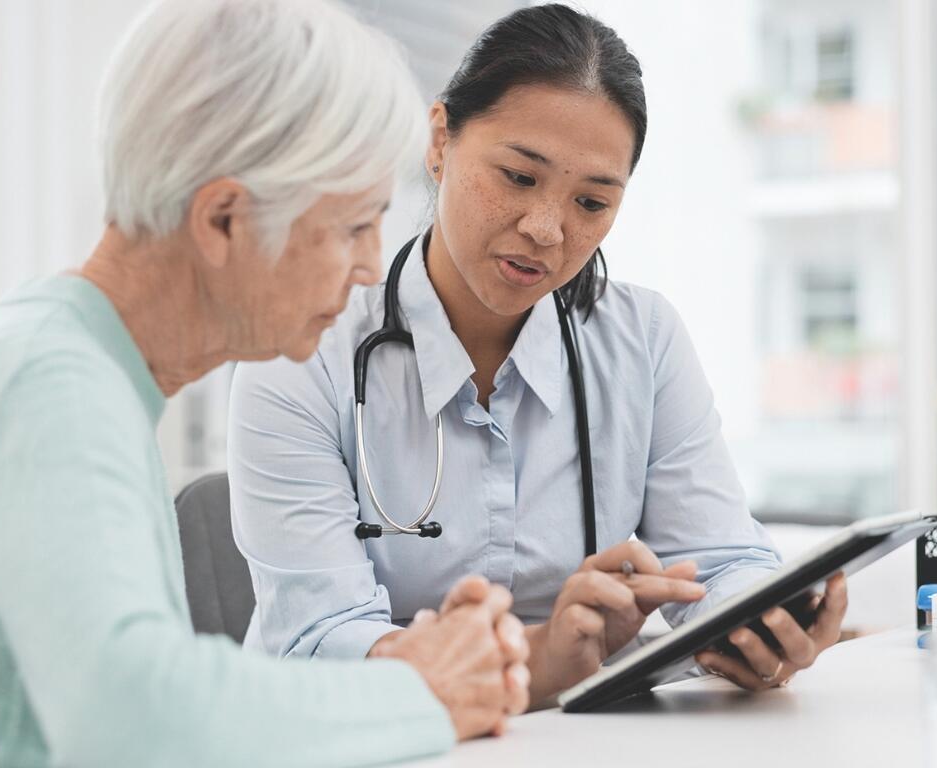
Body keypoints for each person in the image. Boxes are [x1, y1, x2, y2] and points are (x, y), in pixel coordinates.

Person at [0, 1, 530, 766]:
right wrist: (424, 693)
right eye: (352, 226)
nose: (372, 266)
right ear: (222, 221)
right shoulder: (52, 392)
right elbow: (138, 715)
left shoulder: (70, 364)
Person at [228, 3, 849, 708]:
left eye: (591, 202)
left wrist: (758, 621)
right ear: (439, 141)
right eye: (518, 178)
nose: (547, 230)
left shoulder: (641, 339)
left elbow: (721, 561)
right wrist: (542, 657)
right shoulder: (304, 351)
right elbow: (319, 642)